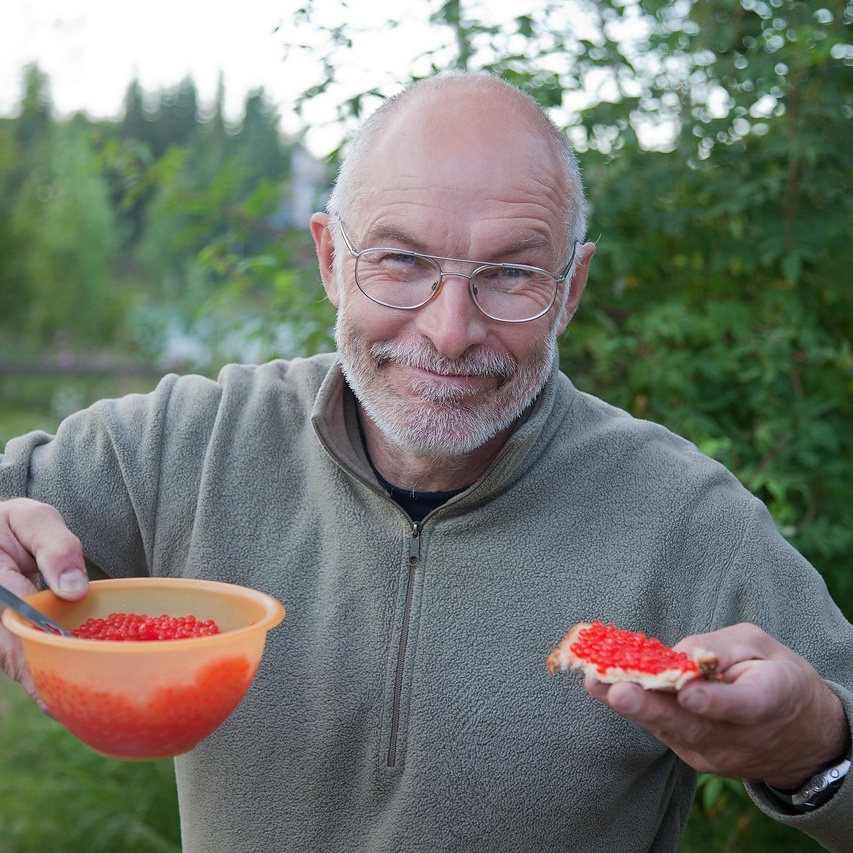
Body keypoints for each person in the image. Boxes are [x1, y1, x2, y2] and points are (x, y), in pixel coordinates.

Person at [0, 71, 851, 852]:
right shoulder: (184, 443)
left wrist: (816, 748)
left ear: (571, 289)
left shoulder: (690, 519)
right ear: (332, 260)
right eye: (402, 260)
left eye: (511, 272)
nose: (449, 331)